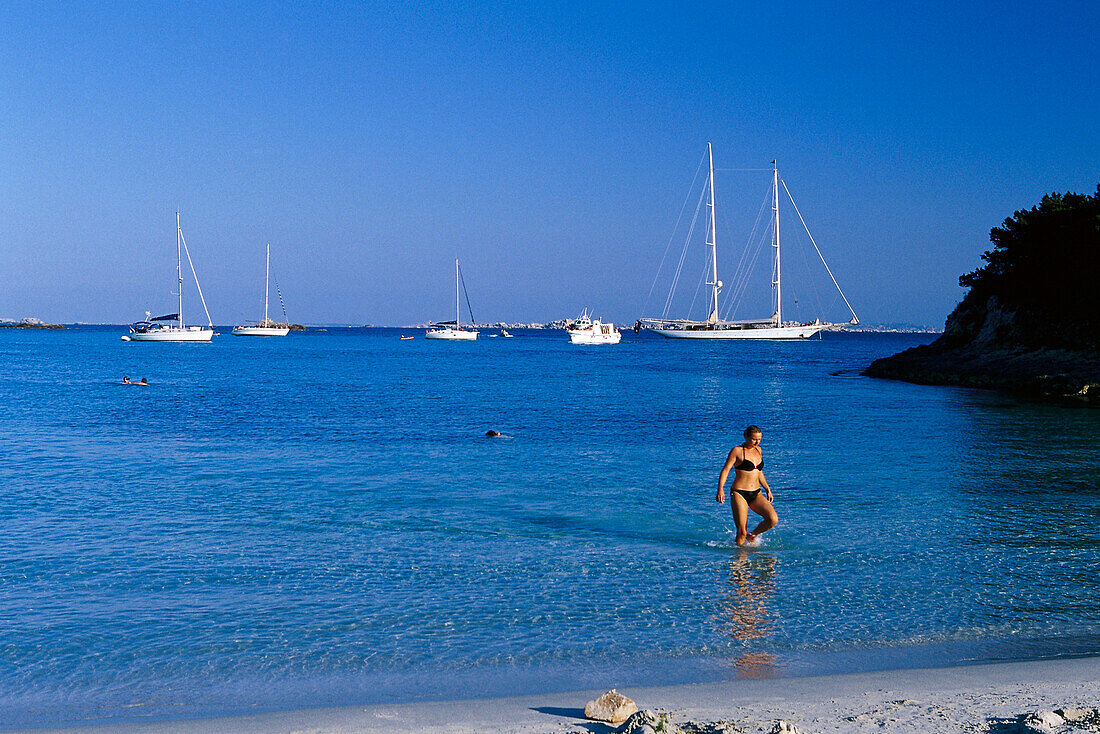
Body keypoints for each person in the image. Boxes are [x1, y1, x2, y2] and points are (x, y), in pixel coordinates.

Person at [716, 425, 778, 546]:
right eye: (754, 439)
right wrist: (720, 490)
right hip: (739, 493)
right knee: (741, 532)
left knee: (772, 519)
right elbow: (725, 470)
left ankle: (753, 534)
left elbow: (758, 471)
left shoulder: (758, 450)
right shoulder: (737, 451)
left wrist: (767, 489)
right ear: (746, 436)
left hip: (756, 493)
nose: (757, 442)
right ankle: (740, 560)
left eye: (759, 439)